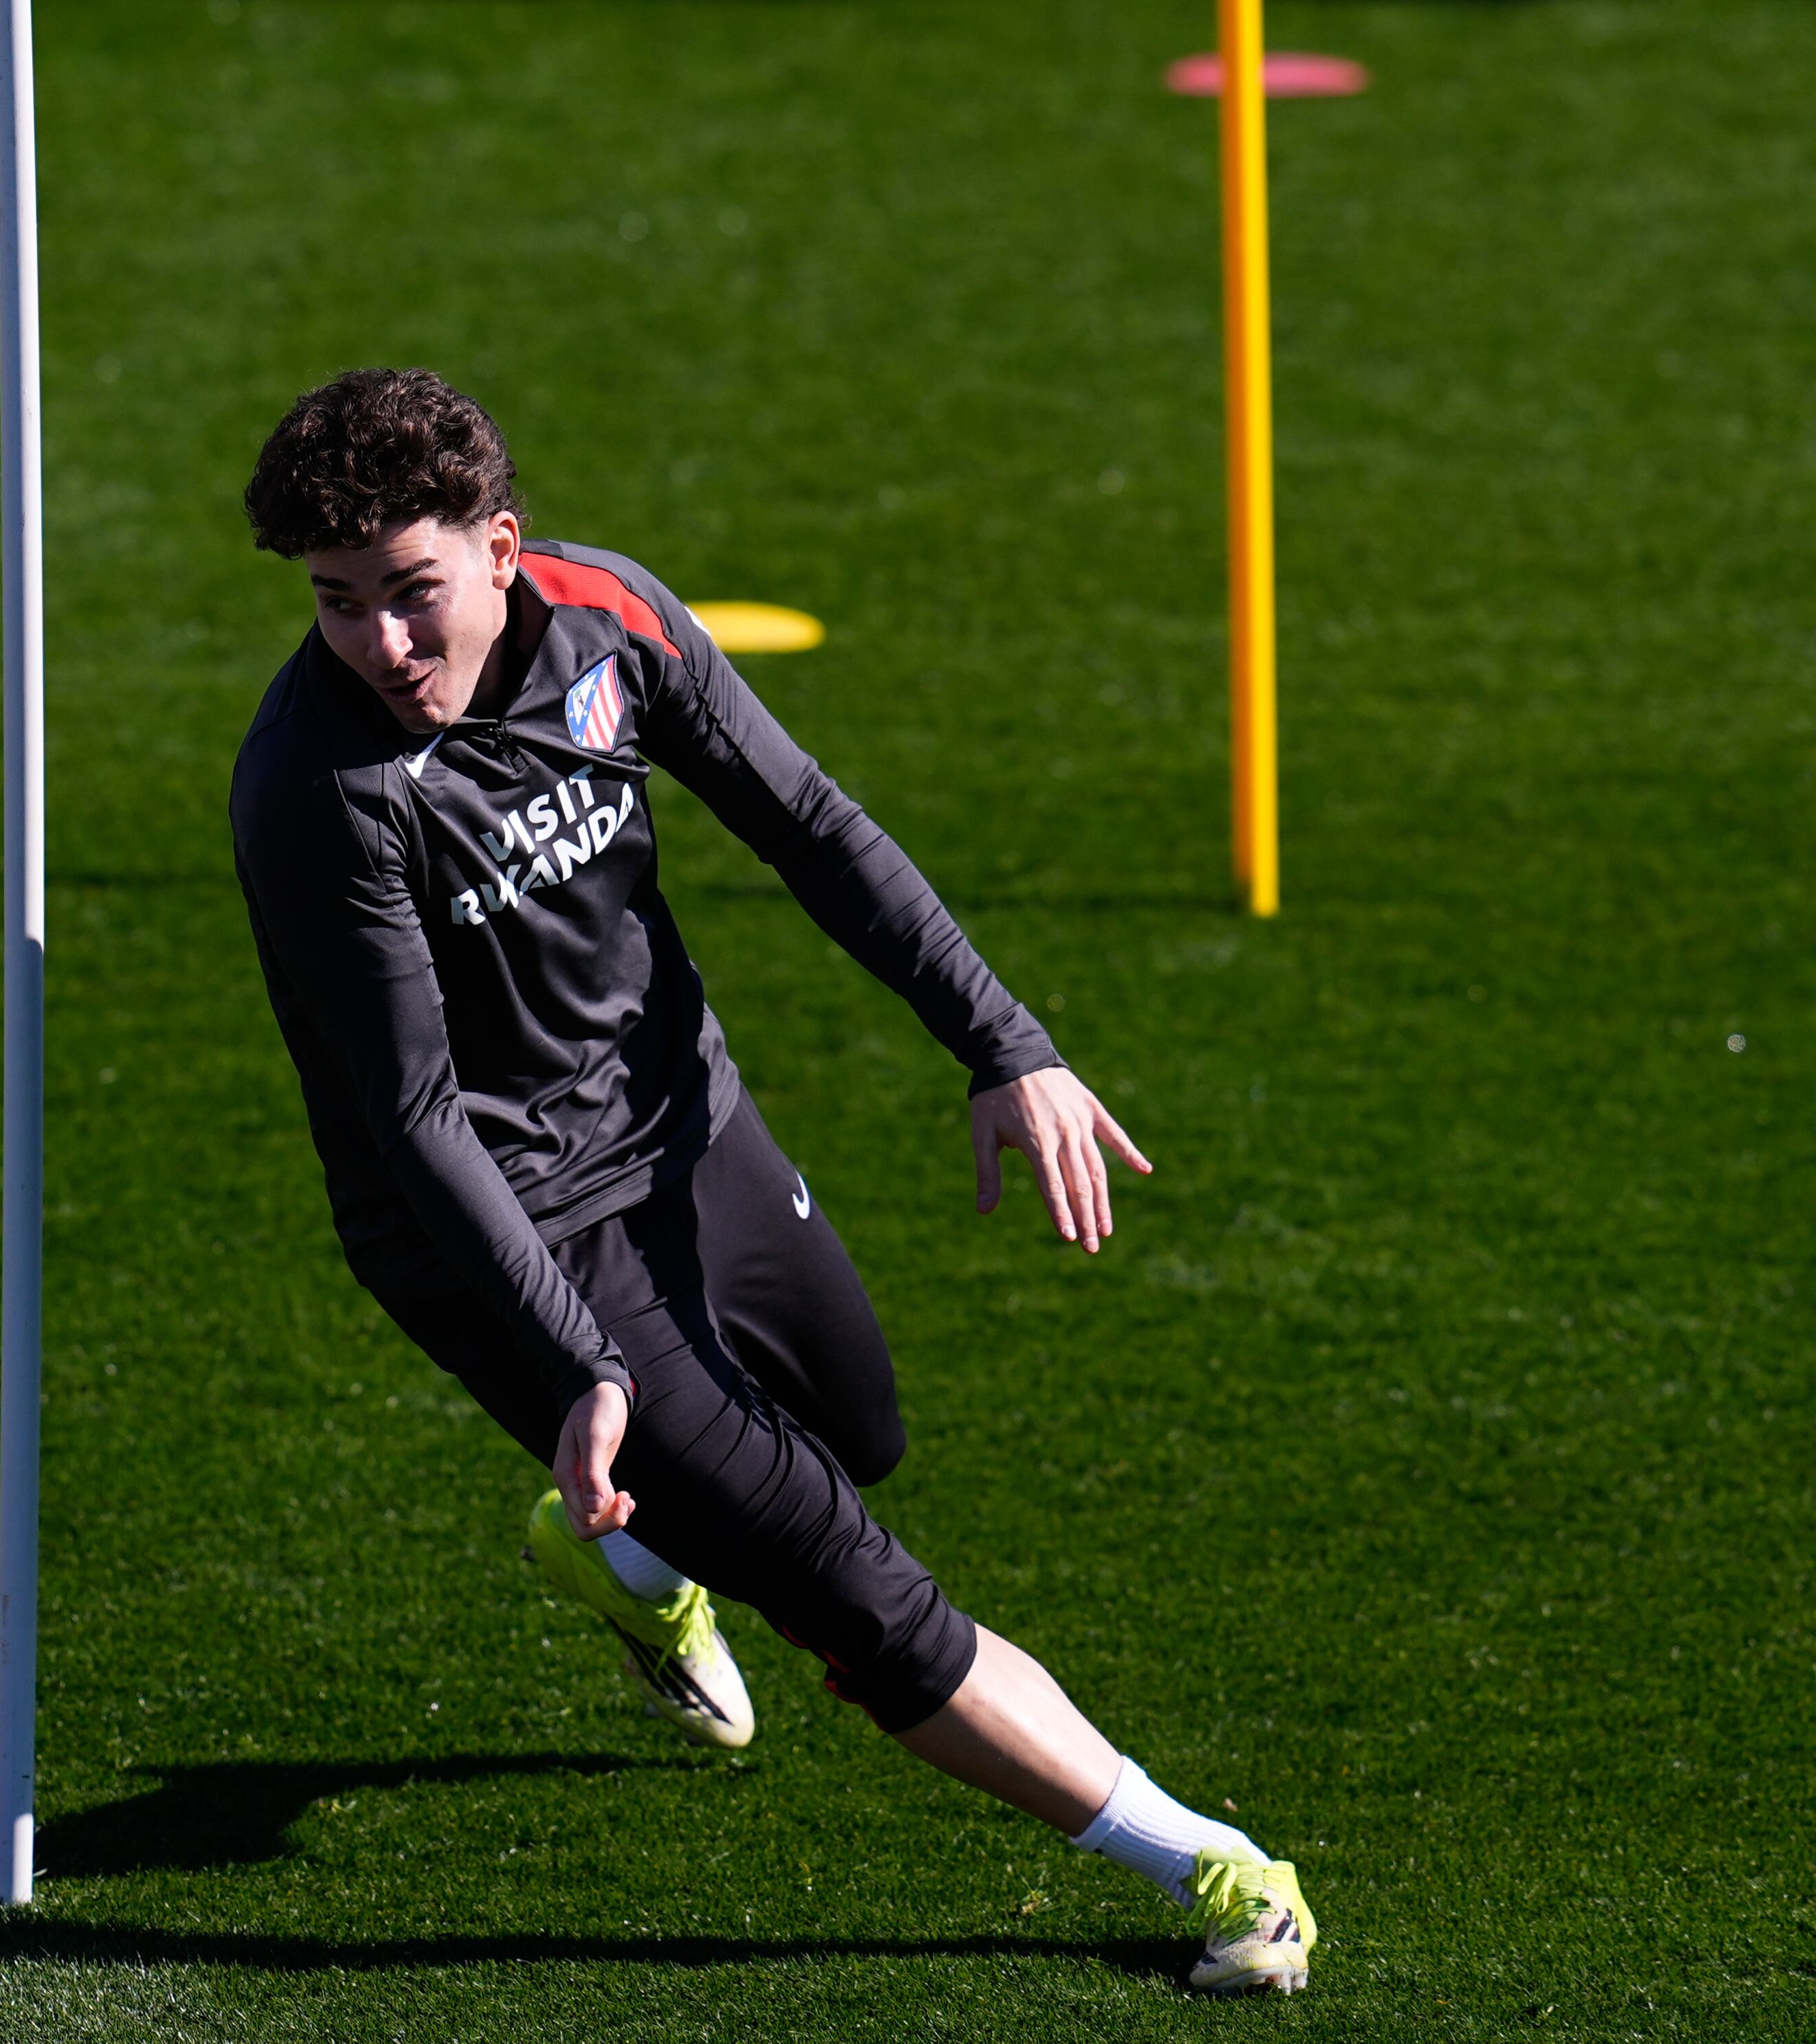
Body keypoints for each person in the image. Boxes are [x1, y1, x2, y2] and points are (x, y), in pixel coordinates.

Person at [228, 368, 1316, 1996]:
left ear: (504, 548)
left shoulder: (611, 621)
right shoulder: (322, 794)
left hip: (686, 1123)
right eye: (335, 604)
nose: (380, 645)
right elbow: (414, 1116)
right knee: (839, 1568)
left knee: (859, 1432)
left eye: (411, 592)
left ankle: (620, 1550)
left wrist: (1004, 1045)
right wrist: (579, 1361)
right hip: (502, 1222)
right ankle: (1209, 1861)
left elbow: (806, 823)